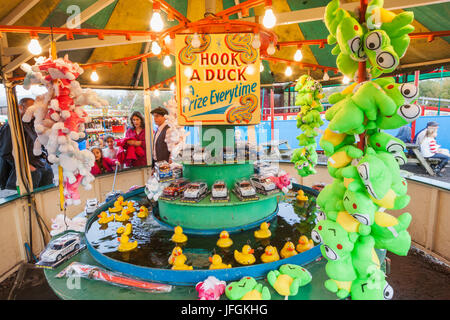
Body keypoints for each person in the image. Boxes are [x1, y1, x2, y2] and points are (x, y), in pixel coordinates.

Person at [0, 98, 54, 190]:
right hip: (28, 171)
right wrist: (26, 166)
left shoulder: (32, 124)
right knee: (30, 200)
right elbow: (5, 152)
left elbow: (38, 142)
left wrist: (46, 157)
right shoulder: (11, 126)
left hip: (42, 165)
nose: (33, 112)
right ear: (20, 107)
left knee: (47, 195)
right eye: (31, 109)